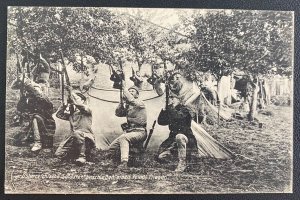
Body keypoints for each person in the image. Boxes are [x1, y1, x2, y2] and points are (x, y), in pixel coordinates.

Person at [11, 75, 56, 152]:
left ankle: (38, 143)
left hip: (46, 123)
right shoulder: (28, 98)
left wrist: (28, 84)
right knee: (18, 140)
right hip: (29, 121)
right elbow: (13, 87)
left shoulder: (44, 99)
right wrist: (18, 79)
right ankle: (30, 139)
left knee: (35, 117)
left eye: (39, 88)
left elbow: (39, 95)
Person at [108, 83, 147, 169]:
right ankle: (114, 161)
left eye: (133, 91)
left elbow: (132, 100)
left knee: (123, 138)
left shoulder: (140, 103)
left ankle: (124, 162)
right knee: (111, 148)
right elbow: (118, 113)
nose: (130, 92)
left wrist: (124, 89)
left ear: (137, 94)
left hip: (140, 132)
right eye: (129, 91)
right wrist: (121, 102)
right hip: (130, 132)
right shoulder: (129, 107)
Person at [156, 92, 197, 172]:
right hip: (173, 139)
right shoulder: (171, 110)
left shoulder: (184, 109)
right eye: (169, 98)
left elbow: (178, 117)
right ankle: (176, 160)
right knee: (160, 156)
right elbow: (161, 122)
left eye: (173, 98)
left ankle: (182, 163)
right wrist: (164, 110)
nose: (171, 100)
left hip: (186, 137)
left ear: (179, 100)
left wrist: (170, 107)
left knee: (179, 137)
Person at [55, 86, 96, 164]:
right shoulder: (72, 114)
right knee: (58, 153)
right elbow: (59, 115)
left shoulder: (87, 110)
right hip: (74, 138)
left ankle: (82, 157)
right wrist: (64, 105)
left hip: (86, 138)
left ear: (83, 100)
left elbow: (79, 105)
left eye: (77, 98)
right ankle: (75, 156)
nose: (74, 100)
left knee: (78, 133)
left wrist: (71, 93)